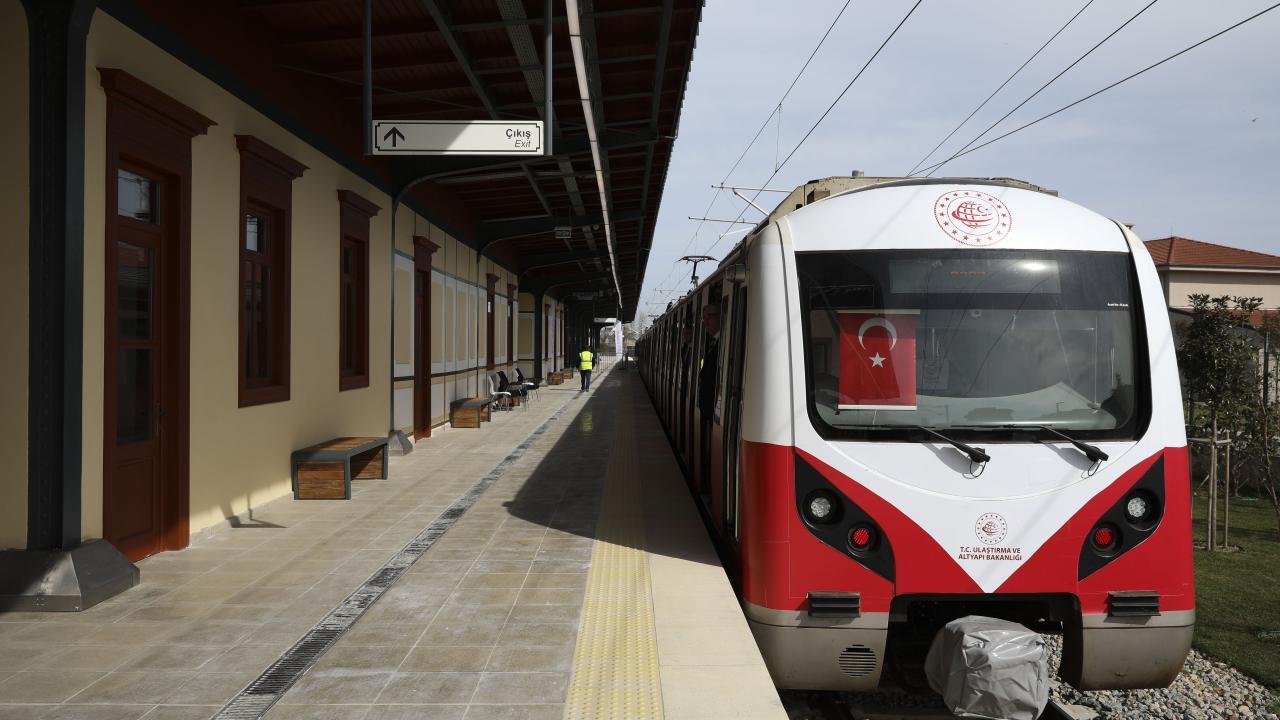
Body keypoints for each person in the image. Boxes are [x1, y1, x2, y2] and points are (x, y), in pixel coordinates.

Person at [697, 302, 721, 495]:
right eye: (704, 317)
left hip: (714, 411)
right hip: (707, 411)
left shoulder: (722, 344)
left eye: (710, 316)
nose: (705, 322)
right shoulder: (712, 343)